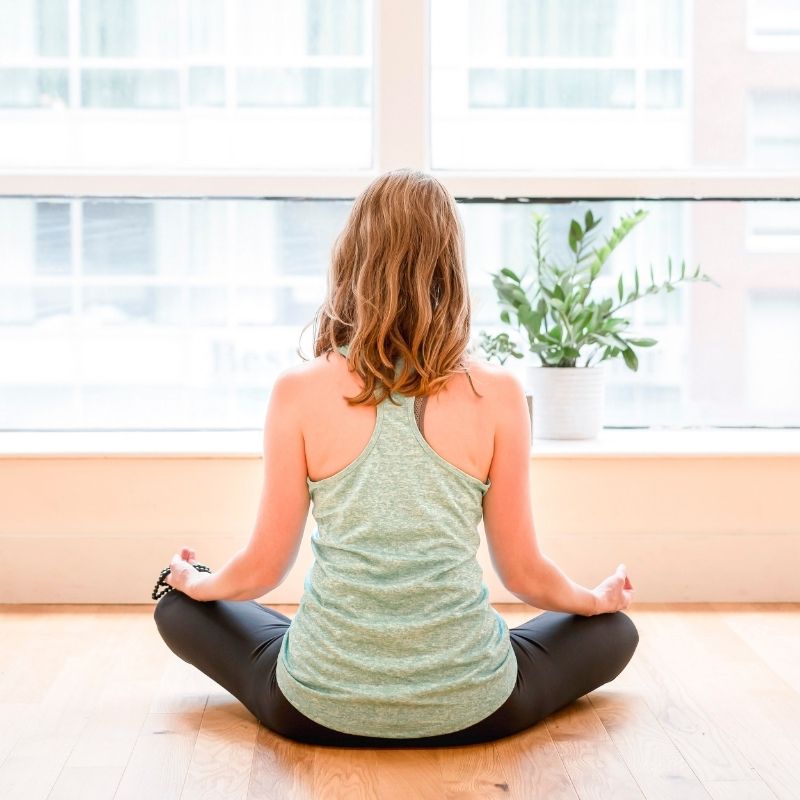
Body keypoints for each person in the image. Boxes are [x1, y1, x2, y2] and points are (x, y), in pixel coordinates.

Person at [153, 168, 638, 748]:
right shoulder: (499, 394)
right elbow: (524, 574)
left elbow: (262, 570)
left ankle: (325, 649)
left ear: (352, 262)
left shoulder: (298, 391)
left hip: (313, 706)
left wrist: (196, 583)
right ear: (451, 272)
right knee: (615, 630)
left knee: (176, 609)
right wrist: (594, 599)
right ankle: (399, 658)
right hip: (475, 706)